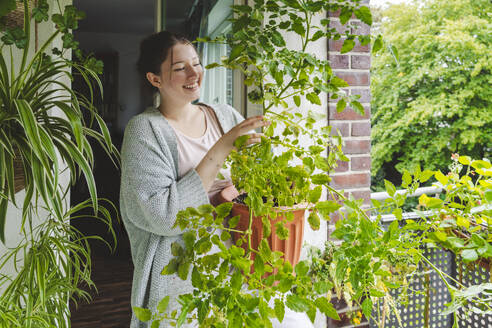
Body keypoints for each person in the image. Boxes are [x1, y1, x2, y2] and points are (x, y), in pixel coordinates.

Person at [119, 31, 268, 327]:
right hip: (182, 277)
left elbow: (254, 185)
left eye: (197, 63)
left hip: (240, 262)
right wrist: (222, 147)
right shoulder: (145, 130)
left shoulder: (224, 115)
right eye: (179, 68)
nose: (194, 73)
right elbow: (163, 217)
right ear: (154, 79)